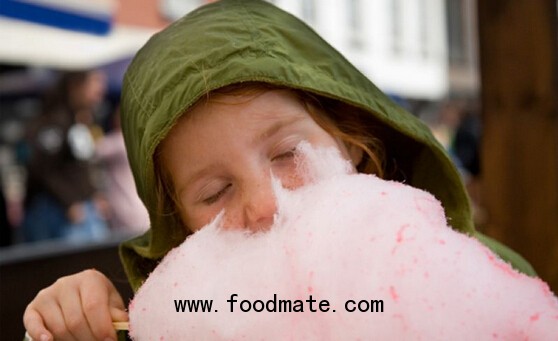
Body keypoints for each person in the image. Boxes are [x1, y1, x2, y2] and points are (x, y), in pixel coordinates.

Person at [23, 1, 536, 340]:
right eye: (215, 191)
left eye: (288, 155)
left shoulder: (478, 274)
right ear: (180, 223)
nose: (264, 204)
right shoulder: (198, 320)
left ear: (348, 140)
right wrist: (81, 319)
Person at [21, 70, 110, 243]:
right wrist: (68, 202)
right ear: (75, 87)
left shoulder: (80, 122)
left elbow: (80, 164)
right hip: (58, 212)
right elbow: (42, 168)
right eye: (95, 83)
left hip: (84, 210)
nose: (100, 91)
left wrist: (94, 194)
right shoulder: (55, 122)